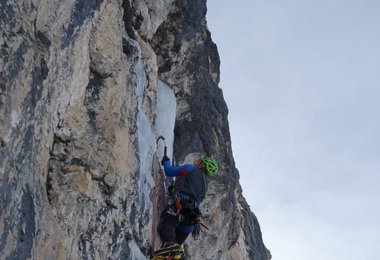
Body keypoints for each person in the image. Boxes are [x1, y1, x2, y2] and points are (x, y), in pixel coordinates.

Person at [153, 156, 218, 259]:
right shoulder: (205, 186)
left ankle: (173, 249)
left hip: (181, 207)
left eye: (199, 162)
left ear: (202, 164)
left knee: (166, 228)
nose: (197, 162)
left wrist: (166, 161)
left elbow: (169, 171)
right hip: (191, 220)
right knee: (175, 250)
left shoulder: (191, 168)